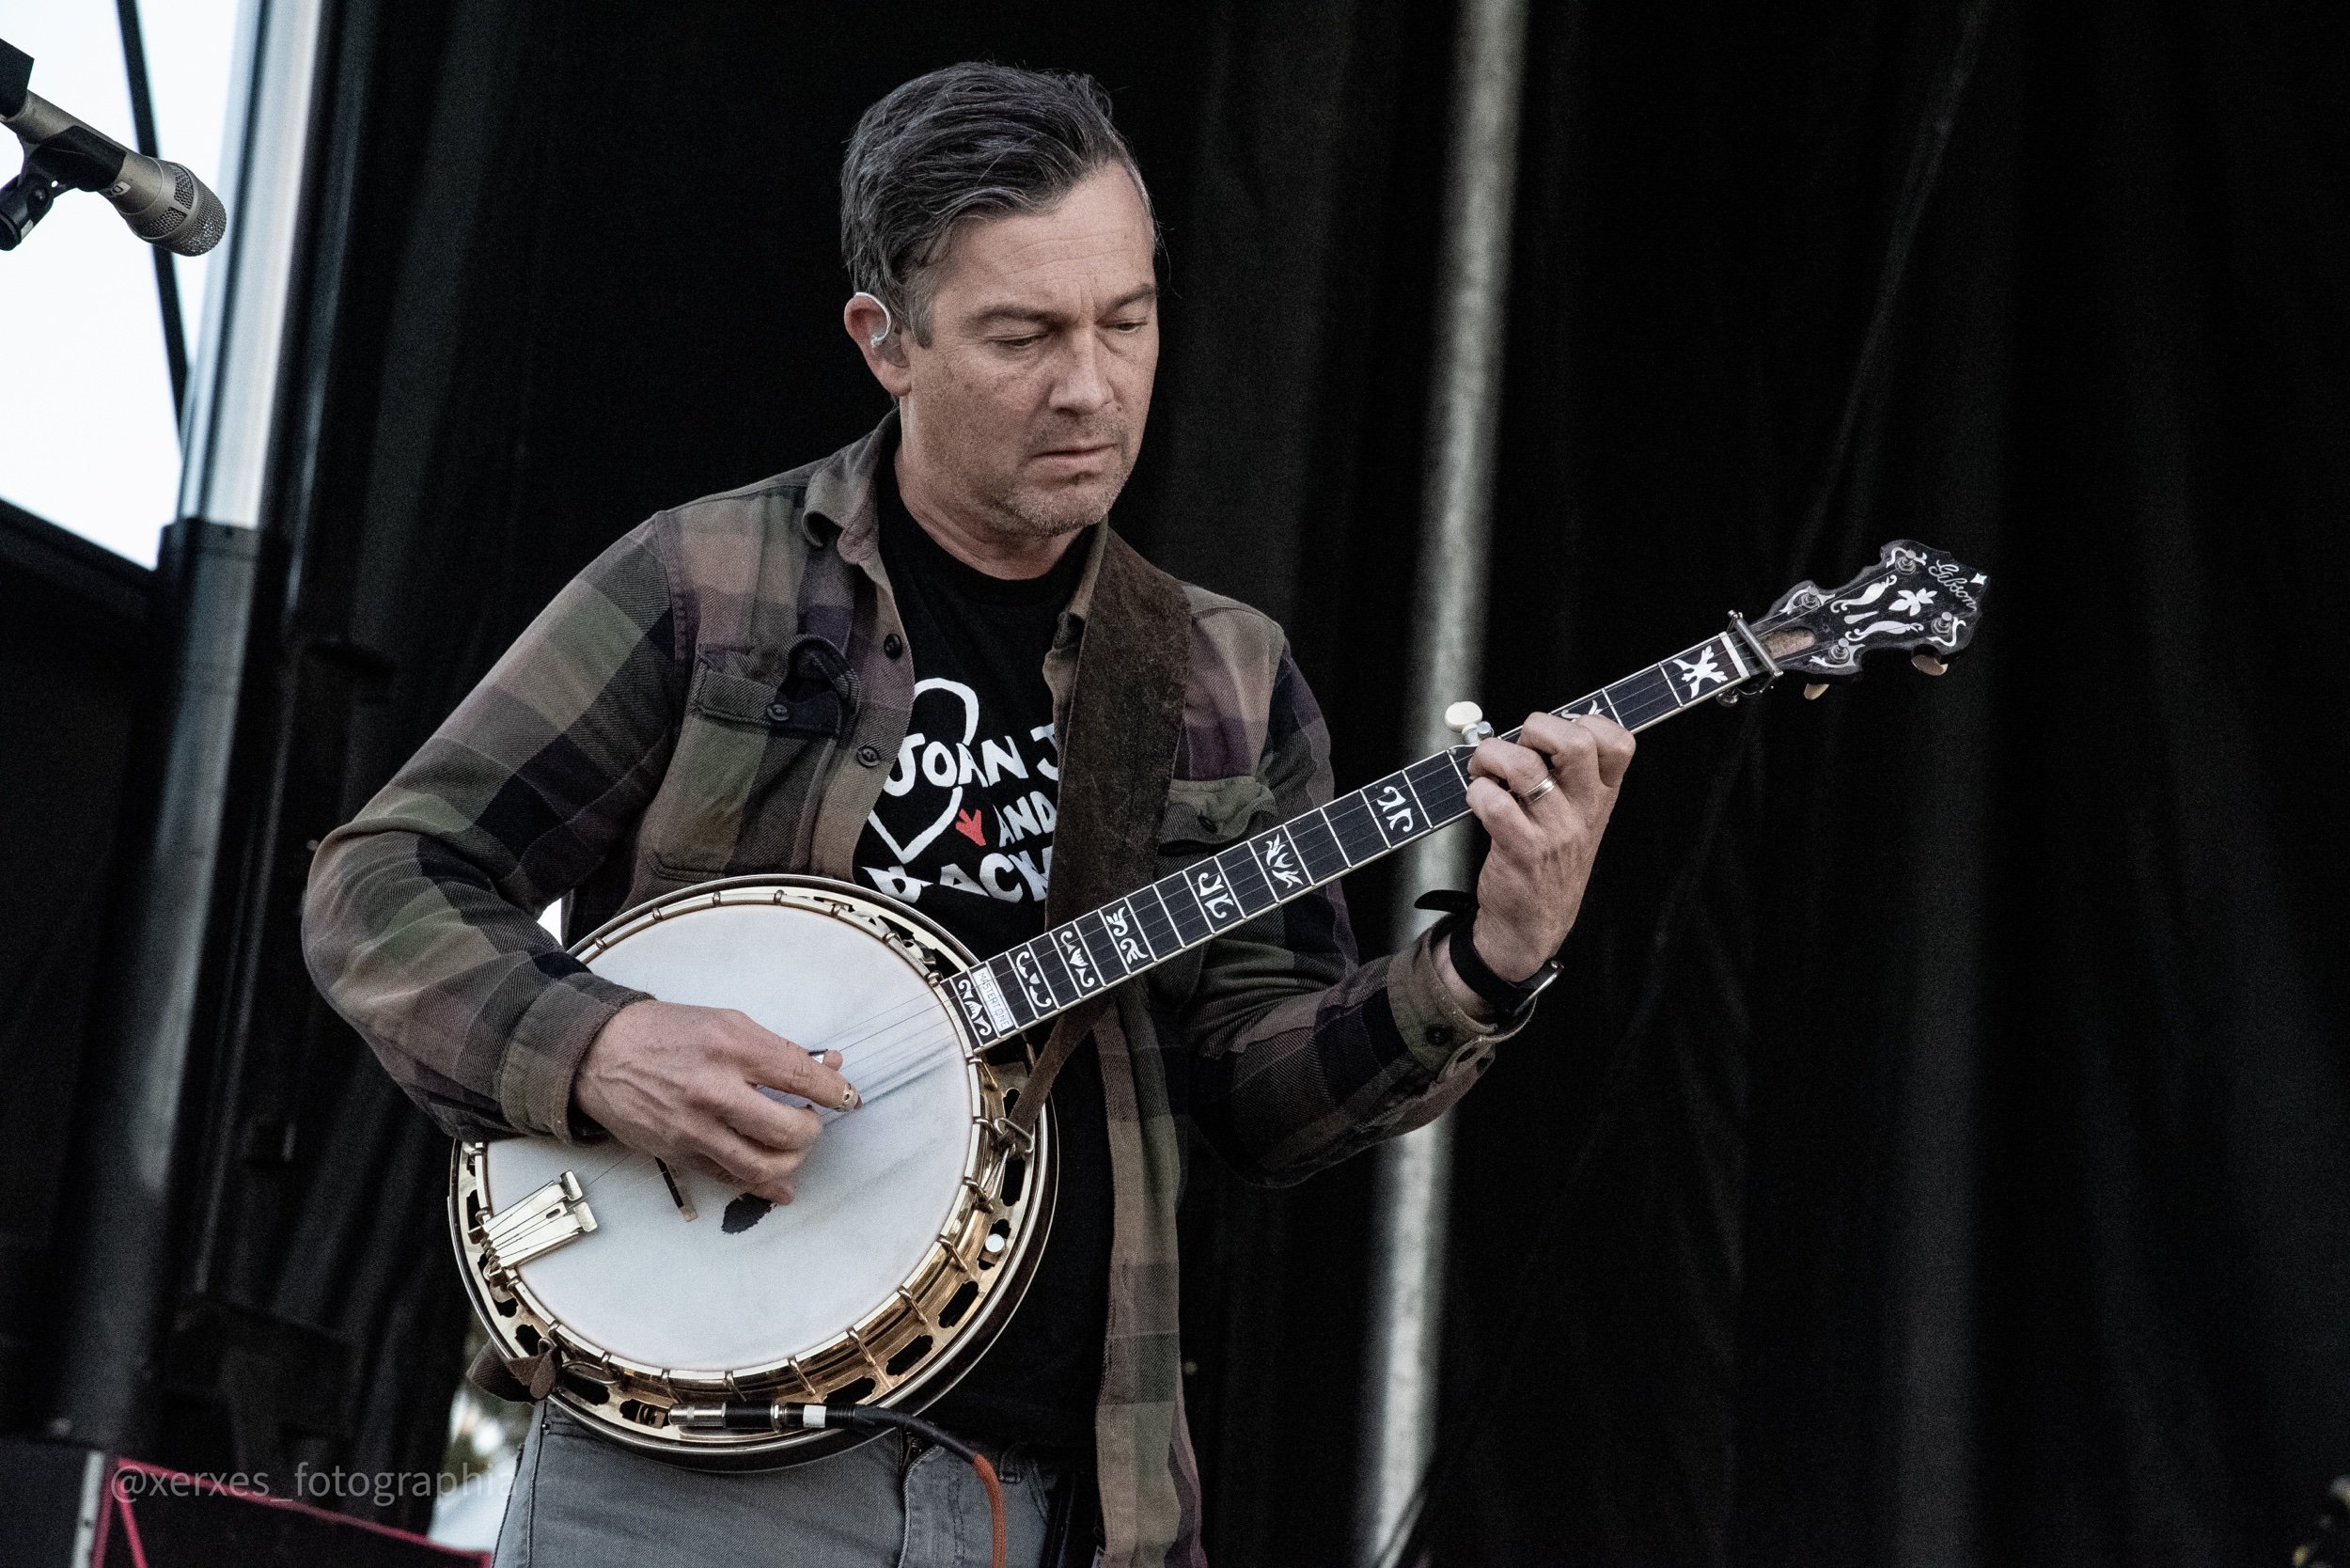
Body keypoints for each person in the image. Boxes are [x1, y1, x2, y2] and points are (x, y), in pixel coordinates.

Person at [301, 62, 1633, 1568]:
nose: (1092, 384)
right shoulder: (704, 582)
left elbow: (1258, 1098)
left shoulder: (1221, 675)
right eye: (1024, 335)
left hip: (1062, 1500)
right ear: (888, 340)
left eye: (1126, 321)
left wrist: (1481, 969)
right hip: (693, 1482)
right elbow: (383, 880)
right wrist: (598, 1048)